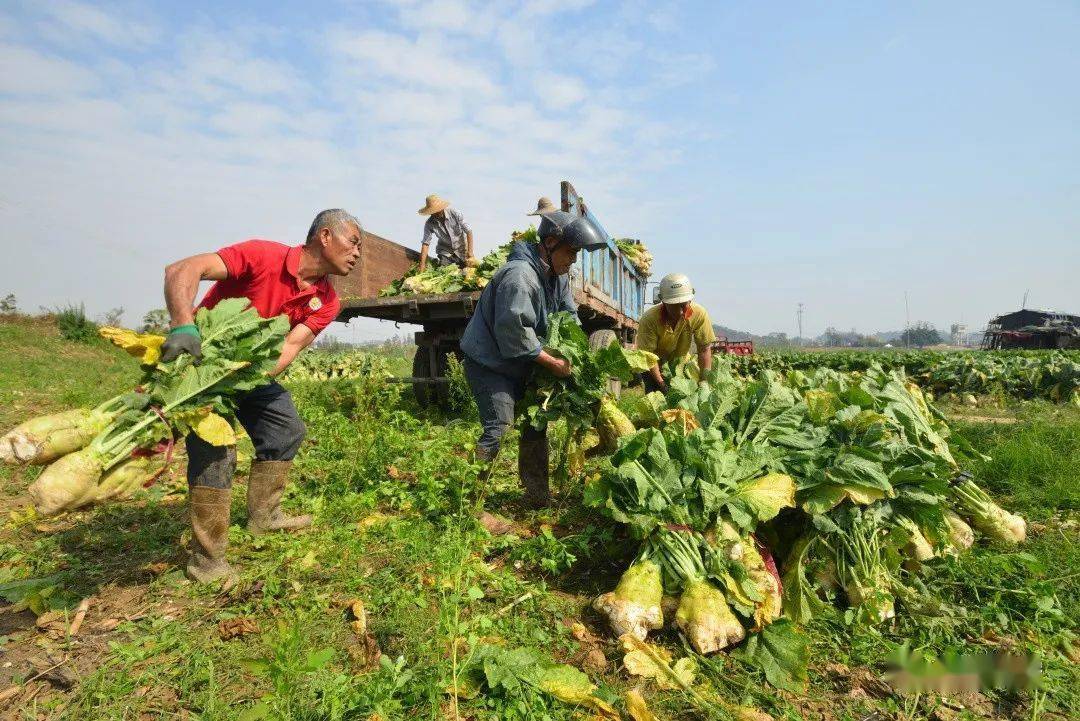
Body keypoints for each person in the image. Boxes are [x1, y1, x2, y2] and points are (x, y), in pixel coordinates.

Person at [160, 209, 362, 583]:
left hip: (247, 372)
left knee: (286, 429)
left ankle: (264, 517)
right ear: (326, 236)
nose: (357, 253)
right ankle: (206, 562)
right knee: (216, 450)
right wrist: (183, 324)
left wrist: (246, 379)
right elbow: (181, 269)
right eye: (354, 242)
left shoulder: (327, 301)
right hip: (201, 365)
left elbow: (289, 346)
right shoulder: (262, 256)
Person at [460, 210, 606, 508]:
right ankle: (469, 506)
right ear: (550, 243)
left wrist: (578, 356)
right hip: (491, 362)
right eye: (571, 252)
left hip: (523, 361)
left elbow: (568, 319)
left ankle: (536, 495)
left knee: (536, 422)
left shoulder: (557, 277)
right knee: (499, 425)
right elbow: (514, 332)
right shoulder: (520, 277)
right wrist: (553, 363)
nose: (574, 260)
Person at [636, 273, 716, 392]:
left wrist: (704, 382)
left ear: (690, 299)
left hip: (680, 365)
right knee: (657, 399)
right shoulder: (649, 319)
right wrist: (662, 384)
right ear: (663, 301)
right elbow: (648, 356)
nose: (680, 312)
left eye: (684, 305)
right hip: (654, 365)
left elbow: (704, 349)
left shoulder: (699, 314)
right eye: (674, 306)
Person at [417, 194, 475, 272]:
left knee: (466, 272)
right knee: (444, 271)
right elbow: (425, 244)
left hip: (462, 249)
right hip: (445, 251)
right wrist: (422, 265)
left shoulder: (454, 213)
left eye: (436, 211)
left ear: (441, 208)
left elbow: (468, 231)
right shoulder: (429, 223)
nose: (435, 214)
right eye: (432, 212)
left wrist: (470, 252)